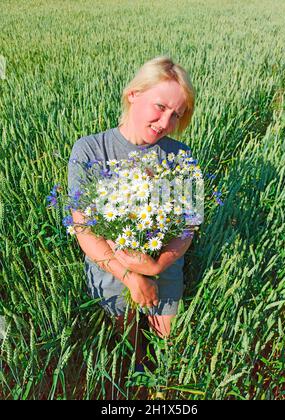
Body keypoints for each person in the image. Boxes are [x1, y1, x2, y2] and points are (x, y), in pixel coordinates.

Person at [67, 56, 196, 372]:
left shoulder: (179, 155)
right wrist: (131, 275)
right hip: (111, 261)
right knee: (127, 339)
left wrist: (156, 265)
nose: (166, 122)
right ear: (133, 95)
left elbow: (187, 227)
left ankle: (158, 384)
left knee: (168, 343)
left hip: (160, 258)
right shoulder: (91, 149)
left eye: (176, 115)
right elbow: (84, 228)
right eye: (160, 107)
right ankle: (132, 373)